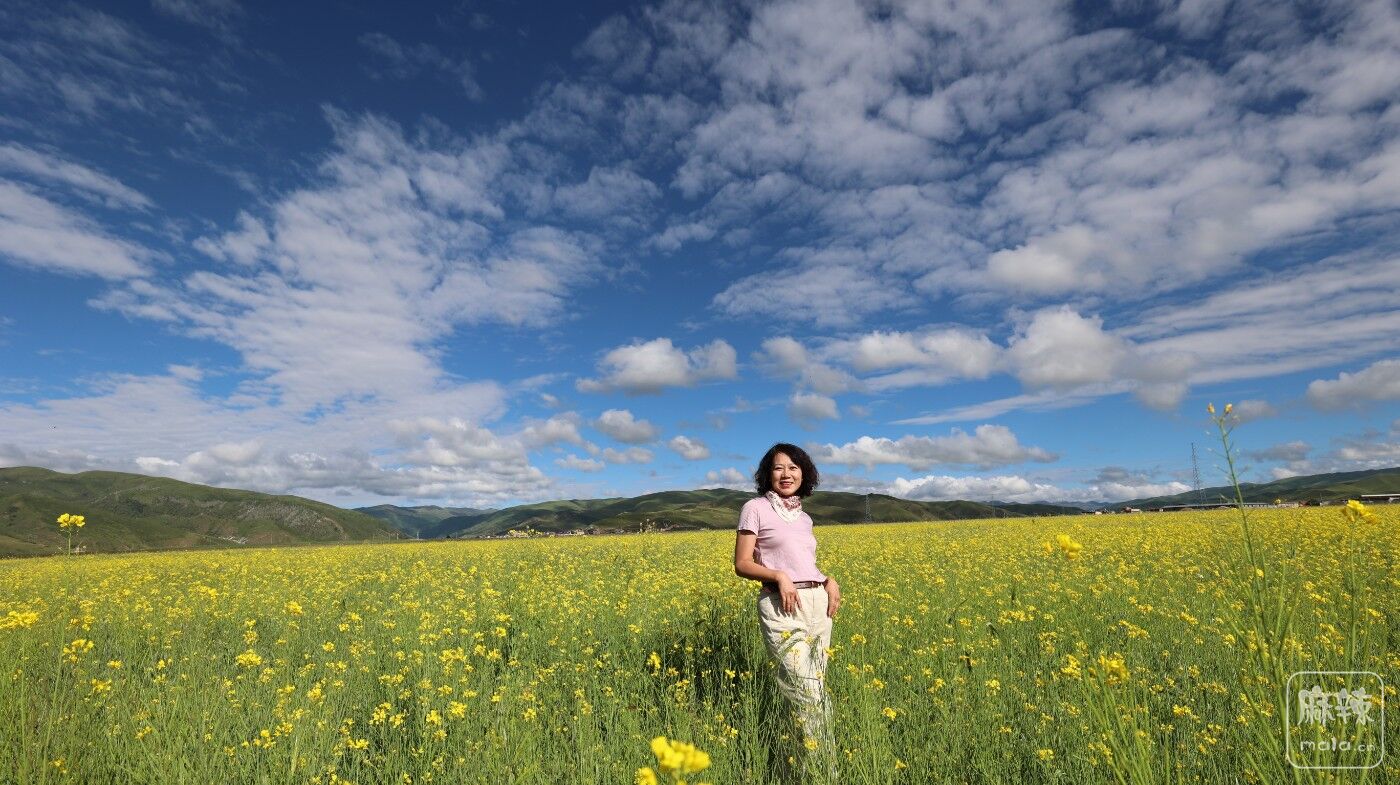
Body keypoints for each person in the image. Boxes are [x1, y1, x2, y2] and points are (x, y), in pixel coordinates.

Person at [733, 442, 841, 778]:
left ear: (804, 474)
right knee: (806, 692)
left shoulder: (804, 517)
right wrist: (778, 575)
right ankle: (823, 773)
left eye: (794, 467)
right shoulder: (755, 508)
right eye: (779, 467)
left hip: (817, 604)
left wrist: (828, 580)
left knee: (815, 690)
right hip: (782, 605)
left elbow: (803, 562)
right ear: (768, 474)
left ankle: (800, 767)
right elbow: (742, 563)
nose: (786, 474)